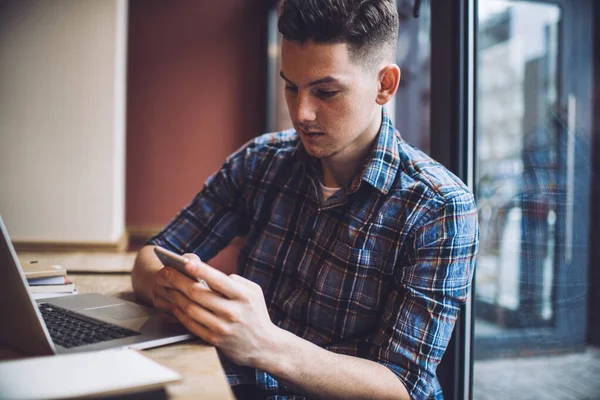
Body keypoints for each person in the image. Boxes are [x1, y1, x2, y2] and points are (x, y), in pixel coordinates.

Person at [131, 0, 479, 399]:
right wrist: (177, 293)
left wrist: (264, 344)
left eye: (326, 92)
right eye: (291, 86)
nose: (301, 113)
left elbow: (403, 386)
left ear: (385, 85)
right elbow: (150, 258)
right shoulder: (260, 162)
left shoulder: (439, 206)